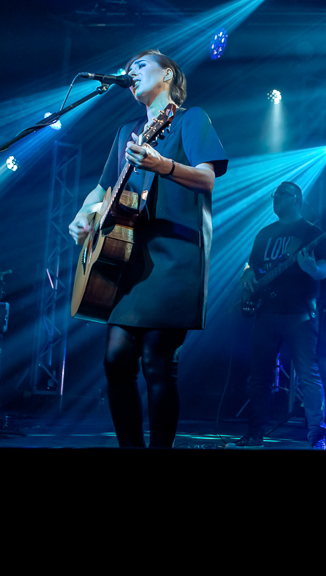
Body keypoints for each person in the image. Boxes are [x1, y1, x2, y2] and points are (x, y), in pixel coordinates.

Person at [67, 49, 227, 448]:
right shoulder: (127, 131)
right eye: (128, 68)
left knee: (157, 362)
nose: (131, 72)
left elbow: (207, 180)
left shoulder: (191, 119)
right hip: (127, 260)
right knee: (115, 361)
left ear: (167, 74)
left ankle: (158, 461)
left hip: (174, 257)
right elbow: (103, 188)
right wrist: (84, 214)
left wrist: (163, 165)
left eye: (140, 65)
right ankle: (131, 454)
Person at [234, 181, 326, 450]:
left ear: (297, 198)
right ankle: (254, 435)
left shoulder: (311, 232)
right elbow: (251, 264)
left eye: (281, 194)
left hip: (299, 314)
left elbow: (322, 271)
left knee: (308, 375)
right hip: (266, 312)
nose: (275, 198)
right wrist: (247, 273)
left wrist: (311, 268)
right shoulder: (265, 233)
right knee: (258, 377)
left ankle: (317, 437)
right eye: (274, 194)